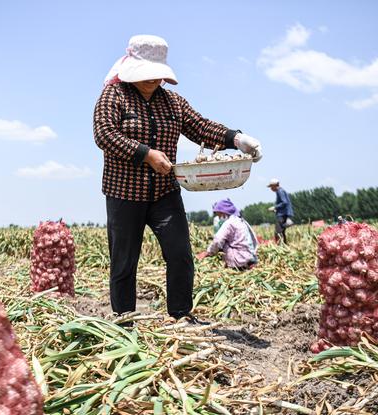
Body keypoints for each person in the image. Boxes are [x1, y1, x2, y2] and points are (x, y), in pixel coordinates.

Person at [93, 35, 263, 323]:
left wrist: (237, 138)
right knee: (123, 262)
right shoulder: (114, 96)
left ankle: (181, 314)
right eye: (147, 74)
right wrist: (146, 154)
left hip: (164, 193)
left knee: (180, 254)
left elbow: (200, 126)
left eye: (157, 75)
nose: (153, 80)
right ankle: (124, 319)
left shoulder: (172, 102)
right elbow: (104, 134)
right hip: (123, 193)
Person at [196, 199, 259, 270]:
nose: (219, 218)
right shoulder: (240, 221)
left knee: (222, 244)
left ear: (224, 213)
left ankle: (233, 265)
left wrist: (207, 253)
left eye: (219, 214)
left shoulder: (229, 223)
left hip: (241, 260)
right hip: (250, 257)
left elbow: (218, 240)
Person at [267, 178, 294, 243]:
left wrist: (274, 207)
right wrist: (277, 209)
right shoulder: (281, 191)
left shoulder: (280, 191)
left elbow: (284, 202)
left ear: (275, 185)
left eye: (271, 186)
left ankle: (280, 246)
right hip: (283, 213)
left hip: (282, 214)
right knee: (282, 231)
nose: (271, 188)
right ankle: (284, 245)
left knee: (278, 232)